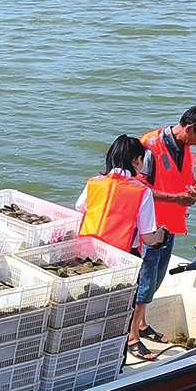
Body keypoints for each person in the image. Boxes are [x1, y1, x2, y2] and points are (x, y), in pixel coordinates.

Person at [75, 134, 169, 362]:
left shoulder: (94, 182)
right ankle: (116, 356)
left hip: (89, 255)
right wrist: (162, 235)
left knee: (90, 305)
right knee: (118, 311)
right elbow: (147, 238)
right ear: (136, 160)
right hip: (122, 257)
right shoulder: (141, 192)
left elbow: (80, 208)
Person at [136, 101, 196, 344]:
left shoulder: (184, 147)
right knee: (146, 278)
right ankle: (133, 333)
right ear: (190, 128)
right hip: (149, 225)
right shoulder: (151, 145)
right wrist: (176, 199)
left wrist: (194, 188)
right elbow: (138, 188)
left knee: (156, 277)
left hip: (169, 223)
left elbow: (182, 179)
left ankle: (141, 323)